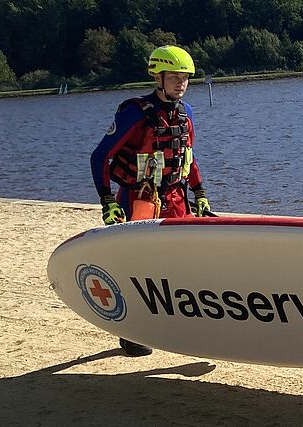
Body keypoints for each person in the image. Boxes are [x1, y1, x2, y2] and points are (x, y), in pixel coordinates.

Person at [89, 45, 213, 356]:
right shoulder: (135, 113)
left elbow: (187, 157)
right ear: (158, 78)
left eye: (185, 78)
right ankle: (132, 333)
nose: (181, 84)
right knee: (138, 267)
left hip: (177, 198)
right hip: (140, 198)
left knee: (185, 262)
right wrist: (107, 201)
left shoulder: (186, 113)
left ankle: (183, 325)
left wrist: (200, 194)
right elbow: (100, 156)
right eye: (174, 77)